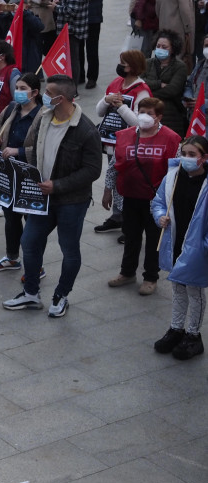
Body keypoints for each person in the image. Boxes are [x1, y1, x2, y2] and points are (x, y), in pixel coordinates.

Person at [2, 75, 102, 317]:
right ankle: (31, 293)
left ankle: (61, 295)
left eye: (49, 92)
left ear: (63, 98)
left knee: (69, 249)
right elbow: (34, 148)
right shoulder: (45, 118)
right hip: (42, 198)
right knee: (30, 241)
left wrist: (57, 185)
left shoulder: (86, 130)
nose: (44, 95)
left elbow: (93, 170)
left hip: (71, 202)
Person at [107, 98, 181, 295]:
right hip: (130, 197)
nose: (144, 116)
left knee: (153, 239)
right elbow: (115, 165)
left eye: (149, 113)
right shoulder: (125, 136)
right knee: (131, 236)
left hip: (156, 201)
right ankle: (127, 272)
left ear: (159, 117)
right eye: (141, 111)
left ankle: (150, 277)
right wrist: (108, 190)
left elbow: (177, 171)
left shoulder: (171, 139)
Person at [152, 135, 208, 360]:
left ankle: (194, 335)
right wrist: (160, 217)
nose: (186, 159)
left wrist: (203, 248)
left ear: (203, 158)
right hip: (176, 242)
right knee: (177, 288)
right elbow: (158, 202)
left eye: (192, 155)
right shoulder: (173, 176)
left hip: (197, 249)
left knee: (195, 291)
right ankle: (176, 328)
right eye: (183, 154)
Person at [94, 49, 153, 233]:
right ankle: (117, 216)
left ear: (133, 67)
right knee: (114, 180)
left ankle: (129, 222)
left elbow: (139, 122)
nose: (121, 66)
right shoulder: (116, 83)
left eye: (124, 63)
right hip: (111, 141)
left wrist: (121, 107)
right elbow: (99, 112)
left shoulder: (142, 90)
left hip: (129, 145)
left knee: (127, 183)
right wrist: (106, 99)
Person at [0, 73, 43, 270]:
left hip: (30, 176)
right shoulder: (12, 108)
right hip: (9, 174)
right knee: (11, 218)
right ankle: (12, 257)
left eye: (23, 89)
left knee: (32, 223)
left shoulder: (44, 114)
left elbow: (44, 147)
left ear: (35, 92)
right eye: (17, 88)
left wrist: (19, 151)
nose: (18, 92)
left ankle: (36, 266)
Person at [143, 30, 190, 138]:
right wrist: (159, 84)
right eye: (158, 46)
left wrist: (147, 90)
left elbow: (172, 90)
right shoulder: (147, 63)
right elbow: (139, 83)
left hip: (171, 116)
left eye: (164, 47)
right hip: (148, 114)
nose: (160, 49)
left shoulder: (180, 66)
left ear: (173, 49)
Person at [52, 0, 90, 85]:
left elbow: (70, 11)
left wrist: (55, 8)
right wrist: (60, 3)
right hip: (75, 28)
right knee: (73, 59)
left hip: (73, 30)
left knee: (73, 60)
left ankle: (73, 89)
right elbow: (70, 3)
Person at [156, 0, 196, 70]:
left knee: (166, 57)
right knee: (178, 58)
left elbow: (157, 10)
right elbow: (186, 13)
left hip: (164, 29)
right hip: (179, 30)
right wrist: (189, 31)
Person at [80, 0, 106, 88]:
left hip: (93, 18)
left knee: (92, 50)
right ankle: (79, 75)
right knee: (79, 49)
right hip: (79, 18)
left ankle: (92, 78)